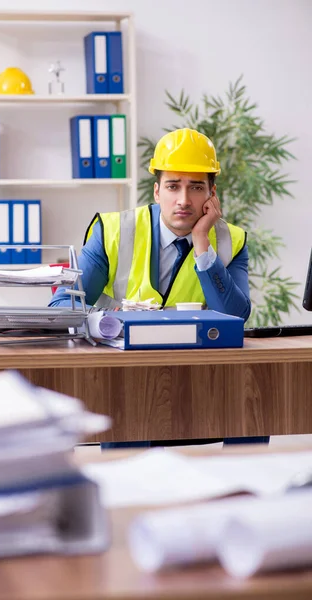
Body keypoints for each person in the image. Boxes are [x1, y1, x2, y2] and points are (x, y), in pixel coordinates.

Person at [50, 127, 269, 448]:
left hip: (201, 381)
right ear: (156, 192)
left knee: (254, 403)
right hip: (127, 380)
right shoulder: (113, 230)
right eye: (172, 186)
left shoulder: (229, 239)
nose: (183, 199)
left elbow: (236, 316)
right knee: (131, 411)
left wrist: (202, 244)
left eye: (196, 187)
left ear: (212, 194)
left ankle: (243, 495)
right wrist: (114, 322)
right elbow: (60, 311)